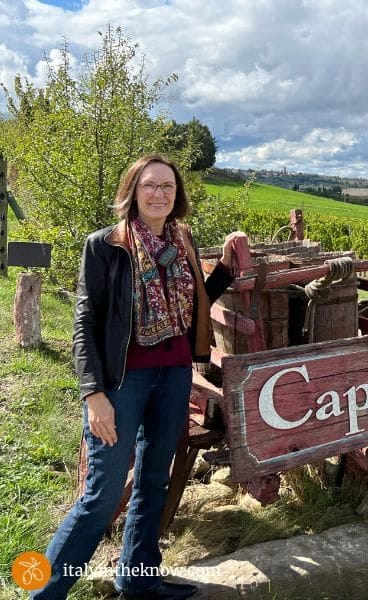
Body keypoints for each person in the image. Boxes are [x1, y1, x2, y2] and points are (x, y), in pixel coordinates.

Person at [33, 154, 246, 600]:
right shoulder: (106, 245)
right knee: (101, 496)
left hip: (172, 376)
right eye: (150, 185)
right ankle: (41, 591)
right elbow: (85, 322)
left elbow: (194, 304)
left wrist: (224, 268)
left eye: (167, 187)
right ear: (132, 191)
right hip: (121, 382)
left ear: (177, 196)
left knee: (154, 481)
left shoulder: (182, 240)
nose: (159, 194)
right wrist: (93, 393)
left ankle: (137, 580)